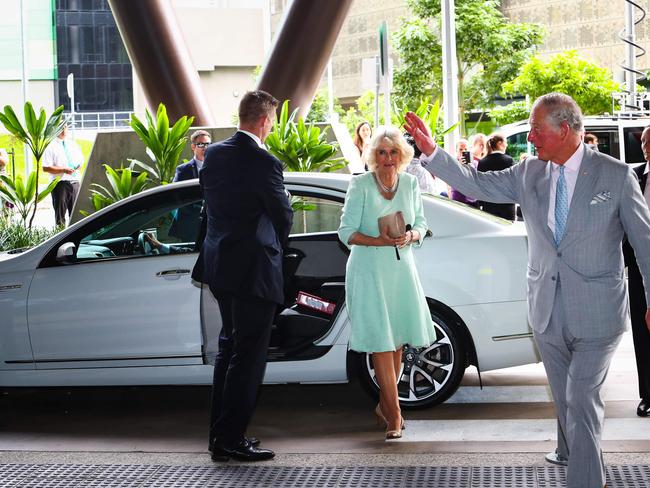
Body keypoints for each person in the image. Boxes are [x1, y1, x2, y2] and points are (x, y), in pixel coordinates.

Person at [405, 92, 650, 488]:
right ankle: (573, 451)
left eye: (537, 129)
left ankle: (588, 480)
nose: (530, 137)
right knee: (567, 398)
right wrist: (432, 151)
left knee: (581, 398)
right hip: (546, 309)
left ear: (565, 130)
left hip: (598, 310)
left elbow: (645, 243)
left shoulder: (615, 175)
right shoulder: (528, 172)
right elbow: (475, 183)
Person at [191, 90, 293, 462]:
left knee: (228, 350)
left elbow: (211, 205)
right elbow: (282, 216)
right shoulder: (265, 163)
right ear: (265, 122)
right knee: (248, 358)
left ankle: (219, 437)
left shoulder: (213, 154)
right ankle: (230, 440)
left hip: (220, 267)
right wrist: (275, 249)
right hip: (254, 271)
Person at [338, 126, 436, 440]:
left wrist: (411, 235)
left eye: (393, 152)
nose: (388, 158)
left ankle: (384, 405)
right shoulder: (361, 185)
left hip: (401, 270)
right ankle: (395, 414)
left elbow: (421, 222)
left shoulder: (409, 184)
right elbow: (346, 232)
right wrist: (379, 242)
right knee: (381, 342)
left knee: (396, 342)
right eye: (382, 152)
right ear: (373, 156)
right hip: (368, 270)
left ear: (402, 155)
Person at [623, 125, 650, 418]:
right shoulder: (633, 175)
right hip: (640, 266)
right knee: (643, 333)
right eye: (643, 142)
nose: (646, 146)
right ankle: (647, 394)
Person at [42, 122, 83, 227]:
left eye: (65, 128)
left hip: (75, 183)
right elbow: (46, 167)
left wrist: (78, 166)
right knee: (60, 217)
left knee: (77, 217)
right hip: (60, 184)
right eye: (61, 128)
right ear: (55, 130)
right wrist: (63, 170)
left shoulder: (73, 144)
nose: (64, 131)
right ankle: (61, 240)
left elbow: (81, 161)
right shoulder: (50, 146)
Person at [477, 133, 516, 220]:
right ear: (499, 143)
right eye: (505, 142)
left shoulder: (482, 162)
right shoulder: (509, 160)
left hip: (489, 207)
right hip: (506, 206)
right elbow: (514, 183)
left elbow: (480, 185)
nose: (507, 145)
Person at [450, 138, 478, 207]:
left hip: (472, 199)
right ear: (456, 150)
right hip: (458, 198)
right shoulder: (452, 162)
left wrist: (470, 167)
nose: (463, 151)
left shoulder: (475, 163)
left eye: (466, 149)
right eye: (461, 149)